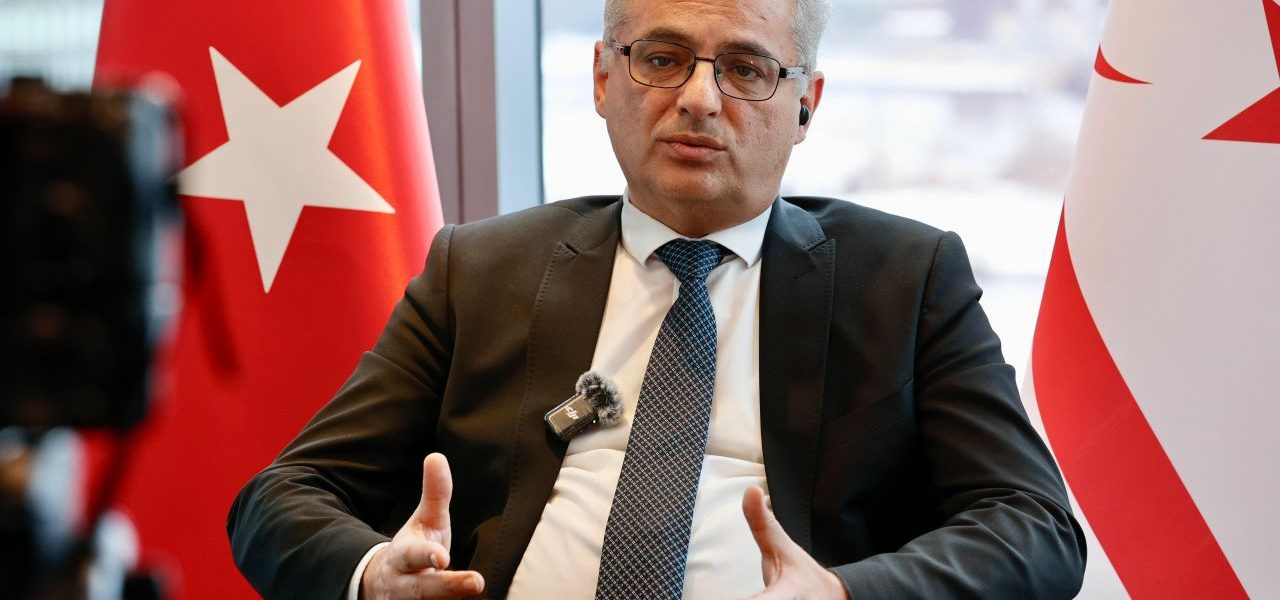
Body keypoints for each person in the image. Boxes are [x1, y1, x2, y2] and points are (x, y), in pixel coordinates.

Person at [227, 0, 1087, 598]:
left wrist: (843, 593)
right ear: (604, 78)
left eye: (746, 68)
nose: (700, 100)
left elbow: (1035, 525)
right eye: (663, 58)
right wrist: (375, 576)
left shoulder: (906, 277)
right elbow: (280, 497)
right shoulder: (481, 270)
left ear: (806, 105)